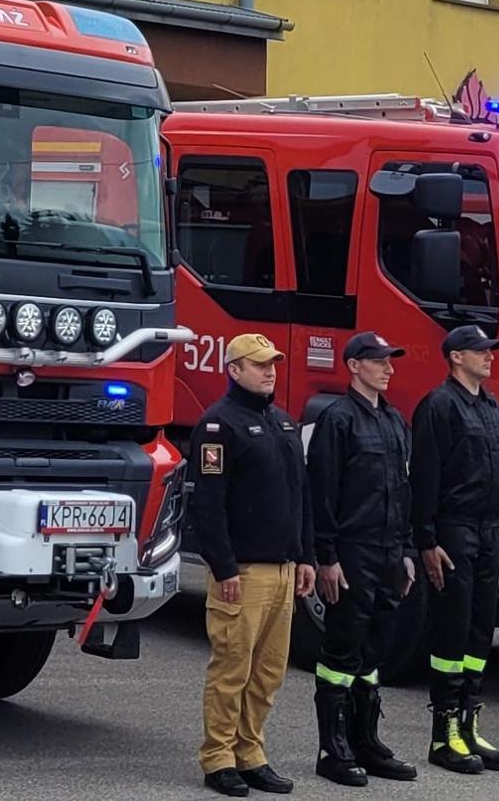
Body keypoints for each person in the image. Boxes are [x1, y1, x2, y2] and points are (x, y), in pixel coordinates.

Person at [186, 334, 318, 797]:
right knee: (232, 669)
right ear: (234, 369)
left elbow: (301, 498)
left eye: (273, 365)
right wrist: (223, 567)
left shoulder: (283, 424)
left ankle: (250, 752)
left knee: (268, 673)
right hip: (242, 572)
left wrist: (305, 556)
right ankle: (219, 757)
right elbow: (208, 505)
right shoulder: (219, 426)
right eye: (259, 365)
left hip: (282, 570)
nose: (270, 372)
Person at [305, 332, 418, 786]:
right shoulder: (338, 420)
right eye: (378, 361)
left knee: (375, 650)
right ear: (354, 366)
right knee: (342, 650)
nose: (389, 368)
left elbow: (405, 491)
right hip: (352, 551)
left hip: (390, 552)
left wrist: (407, 552)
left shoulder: (394, 421)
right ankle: (333, 750)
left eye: (390, 360)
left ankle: (365, 742)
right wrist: (327, 558)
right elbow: (323, 493)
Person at [413, 325, 499, 775]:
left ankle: (470, 724)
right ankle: (444, 733)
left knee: (479, 633)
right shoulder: (439, 406)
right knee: (452, 633)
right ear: (456, 358)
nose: (489, 356)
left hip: (489, 532)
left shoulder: (491, 407)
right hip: (454, 531)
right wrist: (427, 541)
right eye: (480, 351)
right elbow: (426, 479)